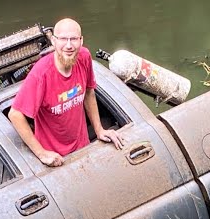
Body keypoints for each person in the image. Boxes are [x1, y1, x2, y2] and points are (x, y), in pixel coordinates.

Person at [9, 18, 124, 167]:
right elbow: (15, 114)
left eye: (74, 39)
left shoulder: (84, 56)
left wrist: (99, 130)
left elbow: (89, 92)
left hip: (83, 149)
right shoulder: (41, 73)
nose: (69, 45)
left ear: (81, 41)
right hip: (55, 160)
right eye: (63, 39)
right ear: (53, 41)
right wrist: (42, 153)